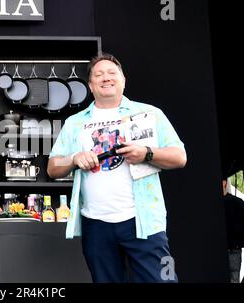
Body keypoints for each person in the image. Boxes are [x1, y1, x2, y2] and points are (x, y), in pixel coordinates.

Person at [47, 53, 187, 283]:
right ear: (91, 86)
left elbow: (179, 156)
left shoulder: (149, 114)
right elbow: (53, 167)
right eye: (98, 75)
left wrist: (146, 153)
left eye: (112, 73)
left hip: (143, 221)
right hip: (95, 224)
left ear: (123, 80)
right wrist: (74, 158)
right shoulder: (75, 123)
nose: (106, 78)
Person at [222, 177, 244, 283]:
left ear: (224, 183)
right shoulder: (238, 202)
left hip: (232, 249)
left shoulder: (237, 203)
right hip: (234, 249)